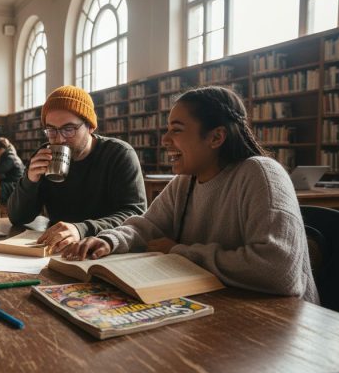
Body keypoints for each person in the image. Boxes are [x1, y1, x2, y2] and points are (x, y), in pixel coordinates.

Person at [65, 86, 318, 303]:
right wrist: (110, 240)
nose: (164, 140)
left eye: (176, 130)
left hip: (281, 323)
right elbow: (146, 227)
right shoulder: (185, 182)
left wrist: (178, 251)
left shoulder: (260, 174)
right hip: (220, 303)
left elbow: (279, 271)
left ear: (216, 137)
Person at [8, 85, 147, 253]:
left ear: (90, 126)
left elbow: (135, 215)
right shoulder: (44, 154)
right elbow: (17, 217)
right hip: (57, 249)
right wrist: (29, 181)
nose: (59, 139)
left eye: (69, 129)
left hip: (102, 250)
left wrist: (81, 229)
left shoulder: (118, 154)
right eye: (51, 130)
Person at [0, 137, 25, 204]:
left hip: (16, 185)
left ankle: (1, 206)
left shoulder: (10, 157)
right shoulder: (7, 155)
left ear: (1, 149)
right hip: (11, 182)